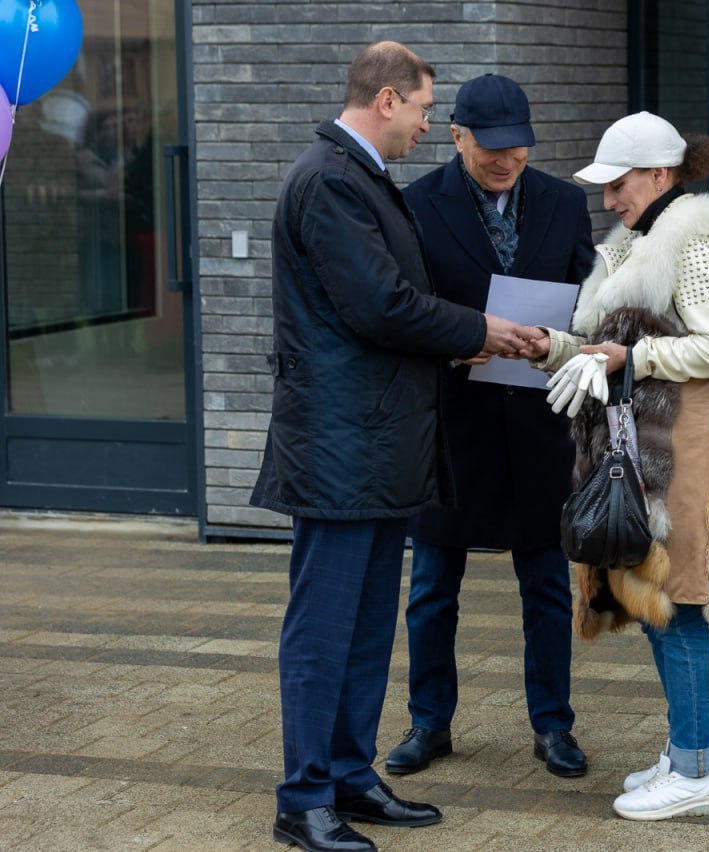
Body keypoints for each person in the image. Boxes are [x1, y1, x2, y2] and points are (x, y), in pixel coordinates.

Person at [250, 41, 534, 852]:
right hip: (344, 447)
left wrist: (463, 338)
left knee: (370, 622)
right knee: (324, 626)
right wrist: (480, 330)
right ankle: (302, 799)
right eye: (418, 110)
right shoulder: (331, 180)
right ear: (385, 101)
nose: (424, 126)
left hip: (373, 446)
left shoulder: (357, 177)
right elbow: (382, 305)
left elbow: (389, 309)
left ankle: (348, 775)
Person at [522, 111, 709, 821]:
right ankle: (694, 750)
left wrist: (635, 358)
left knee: (679, 611)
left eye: (618, 184)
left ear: (660, 175)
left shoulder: (692, 243)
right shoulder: (648, 238)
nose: (608, 200)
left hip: (686, 462)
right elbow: (617, 347)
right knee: (663, 607)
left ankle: (695, 770)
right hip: (660, 458)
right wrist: (551, 346)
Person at [384, 74, 594, 780]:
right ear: (457, 136)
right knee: (433, 588)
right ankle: (429, 723)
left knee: (547, 586)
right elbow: (404, 310)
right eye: (491, 149)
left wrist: (566, 342)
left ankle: (554, 726)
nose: (506, 160)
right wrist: (458, 342)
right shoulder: (415, 207)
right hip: (455, 423)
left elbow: (589, 300)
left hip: (540, 424)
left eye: (519, 148)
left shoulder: (565, 204)